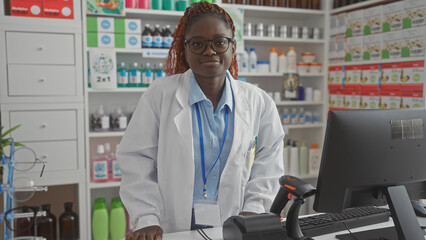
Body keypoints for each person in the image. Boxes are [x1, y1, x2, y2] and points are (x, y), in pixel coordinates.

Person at [117, 2, 284, 239]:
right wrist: (146, 218)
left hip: (236, 224)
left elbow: (268, 162)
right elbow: (136, 160)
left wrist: (254, 209)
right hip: (173, 226)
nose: (209, 51)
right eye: (197, 44)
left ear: (233, 47)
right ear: (185, 50)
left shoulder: (259, 101)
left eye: (219, 42)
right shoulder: (160, 95)